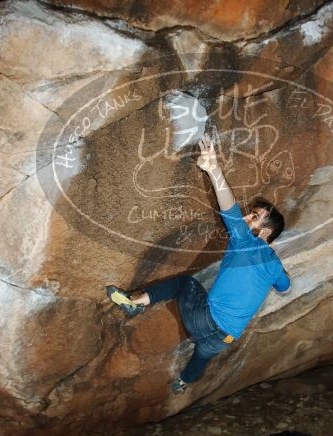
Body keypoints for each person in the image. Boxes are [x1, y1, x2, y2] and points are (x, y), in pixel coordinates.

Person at [106, 134, 290, 394]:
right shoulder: (274, 265)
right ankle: (183, 382)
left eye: (256, 216)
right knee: (201, 356)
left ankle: (135, 304)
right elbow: (285, 288)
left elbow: (230, 209)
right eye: (251, 212)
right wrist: (277, 266)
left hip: (205, 321)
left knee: (184, 283)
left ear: (264, 233)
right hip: (224, 340)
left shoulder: (247, 242)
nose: (248, 216)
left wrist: (214, 169)